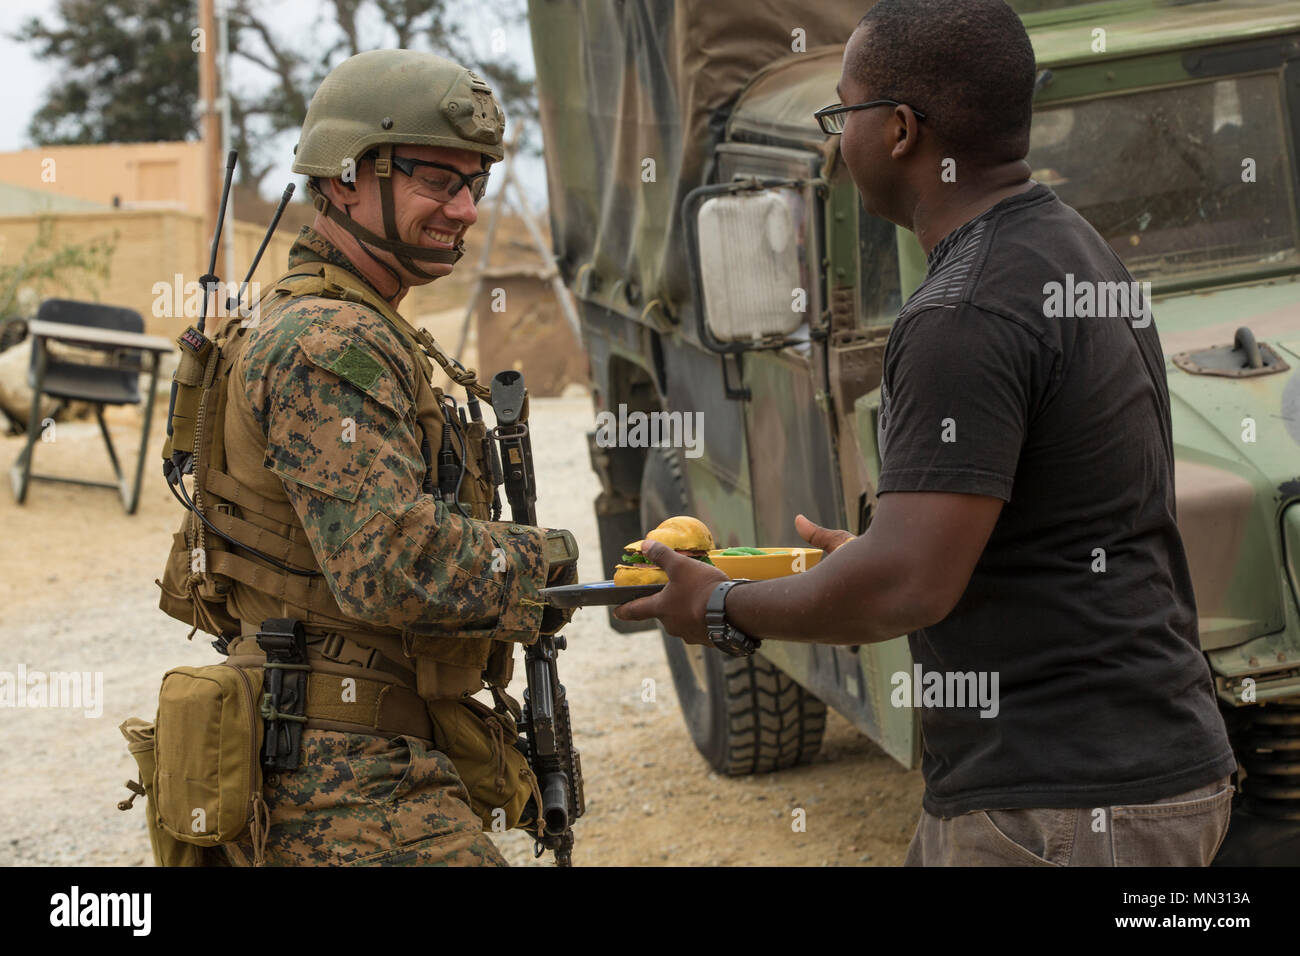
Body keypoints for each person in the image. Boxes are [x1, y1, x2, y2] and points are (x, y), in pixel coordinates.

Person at [615, 0, 1236, 867]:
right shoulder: (1074, 251)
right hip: (1135, 776)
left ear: (902, 130)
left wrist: (720, 607)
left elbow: (908, 586)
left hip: (1058, 807)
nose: (839, 142)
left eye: (844, 115)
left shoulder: (961, 313)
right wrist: (866, 558)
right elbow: (999, 537)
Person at [162, 49, 574, 866]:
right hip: (343, 781)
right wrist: (547, 563)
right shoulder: (327, 342)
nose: (463, 210)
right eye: (437, 180)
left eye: (476, 184)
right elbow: (388, 559)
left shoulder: (349, 325)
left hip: (350, 750)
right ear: (346, 176)